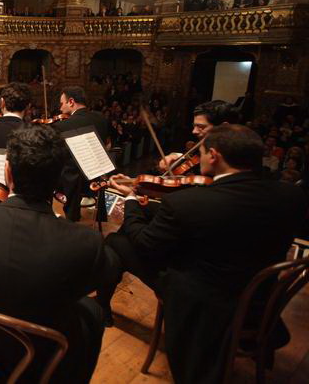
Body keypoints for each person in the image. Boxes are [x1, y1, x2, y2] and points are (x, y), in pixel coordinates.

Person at [97, 124, 306, 383]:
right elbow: (226, 219)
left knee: (116, 241)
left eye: (203, 152)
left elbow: (145, 245)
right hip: (260, 300)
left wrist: (131, 200)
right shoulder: (292, 195)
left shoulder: (190, 203)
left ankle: (102, 307)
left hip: (205, 304)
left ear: (214, 156)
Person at [0, 125, 112, 383]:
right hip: (39, 350)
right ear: (58, 179)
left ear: (8, 172)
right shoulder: (86, 242)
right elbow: (84, 287)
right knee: (92, 312)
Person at [52, 86, 110, 221]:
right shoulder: (101, 119)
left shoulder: (62, 126)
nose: (60, 108)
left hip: (73, 182)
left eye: (62, 103)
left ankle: (58, 216)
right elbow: (108, 144)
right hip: (97, 177)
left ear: (71, 102)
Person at [158, 99, 238, 174]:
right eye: (194, 126)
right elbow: (196, 156)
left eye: (201, 127)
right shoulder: (207, 145)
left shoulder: (232, 158)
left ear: (224, 127)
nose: (194, 131)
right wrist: (177, 156)